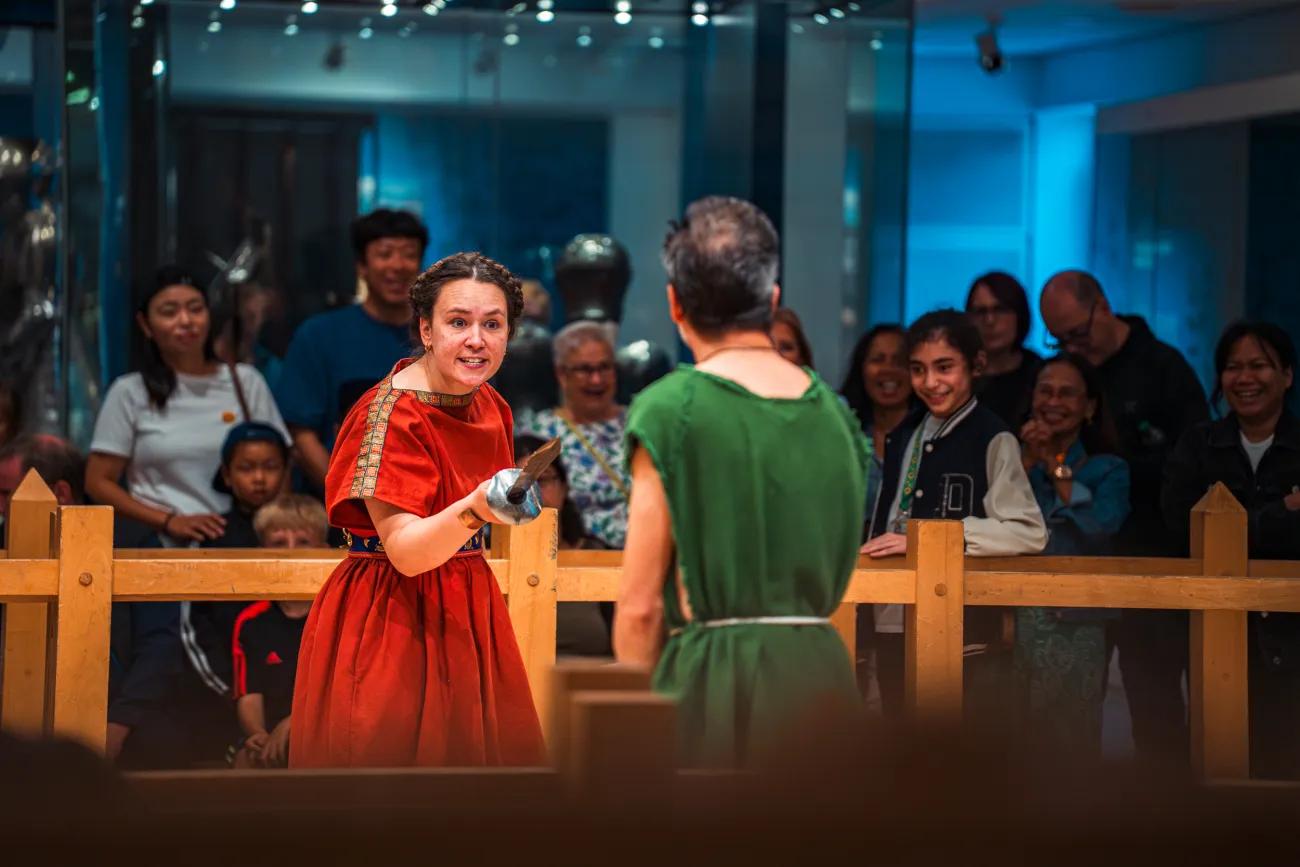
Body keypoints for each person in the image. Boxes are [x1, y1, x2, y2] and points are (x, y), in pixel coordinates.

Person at [614, 196, 870, 768]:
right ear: (772, 299)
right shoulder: (836, 414)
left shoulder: (670, 408)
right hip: (824, 681)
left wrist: (629, 731)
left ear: (675, 304)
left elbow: (639, 609)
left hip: (715, 685)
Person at [290, 251, 544, 768]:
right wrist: (477, 508)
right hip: (391, 613)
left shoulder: (492, 405)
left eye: (492, 324)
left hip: (466, 597)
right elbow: (404, 551)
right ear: (426, 330)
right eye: (458, 322)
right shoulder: (389, 414)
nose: (477, 339)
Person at [1040, 269, 1208, 766]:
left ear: (1104, 306)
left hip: (1151, 557)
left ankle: (1164, 823)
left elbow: (1194, 459)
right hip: (1080, 566)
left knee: (1154, 702)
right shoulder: (1068, 374)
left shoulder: (1164, 367)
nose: (1072, 346)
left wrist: (1112, 475)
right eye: (1059, 339)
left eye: (1078, 333)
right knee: (1062, 709)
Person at [861, 309, 1047, 721]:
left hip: (958, 625)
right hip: (892, 615)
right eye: (918, 369)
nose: (930, 382)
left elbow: (1029, 531)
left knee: (947, 744)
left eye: (944, 367)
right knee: (896, 735)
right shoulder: (905, 433)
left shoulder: (993, 437)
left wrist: (939, 538)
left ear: (975, 365)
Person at [1162, 322, 1300, 779]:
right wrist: (1285, 510)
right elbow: (1183, 531)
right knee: (1217, 761)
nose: (1245, 378)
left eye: (1258, 365)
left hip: (1291, 632)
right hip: (1214, 629)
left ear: (1287, 375)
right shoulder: (1199, 444)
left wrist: (1248, 527)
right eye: (1233, 367)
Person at [0, 434, 184, 768]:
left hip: (124, 720)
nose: (0, 506)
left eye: (4, 494)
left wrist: (120, 722)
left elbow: (159, 644)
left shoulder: (134, 540)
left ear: (60, 493)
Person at [84, 266, 288, 547]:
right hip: (159, 545)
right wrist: (168, 520)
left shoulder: (245, 381)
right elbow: (98, 482)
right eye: (169, 312)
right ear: (145, 324)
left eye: (195, 309)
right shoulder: (130, 391)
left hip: (239, 543)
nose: (186, 321)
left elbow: (282, 463)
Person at [1016, 354, 1130, 757]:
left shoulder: (1108, 469)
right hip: (1010, 618)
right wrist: (1027, 462)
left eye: (1068, 393)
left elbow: (1101, 525)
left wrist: (1054, 467)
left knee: (1069, 748)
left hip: (1076, 622)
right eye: (1045, 391)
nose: (1054, 401)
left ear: (1090, 407)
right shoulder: (1013, 460)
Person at [273, 209, 428, 493]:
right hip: (340, 515)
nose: (397, 265)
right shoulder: (320, 335)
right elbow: (301, 434)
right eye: (384, 254)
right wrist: (348, 500)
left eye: (409, 254)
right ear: (361, 265)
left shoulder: (439, 339)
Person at [230, 495, 327, 769]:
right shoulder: (251, 620)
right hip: (266, 732)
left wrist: (294, 723)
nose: (291, 551)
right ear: (261, 550)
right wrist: (258, 734)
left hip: (322, 727)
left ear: (325, 548)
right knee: (244, 759)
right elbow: (248, 693)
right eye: (278, 543)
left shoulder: (336, 613)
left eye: (304, 542)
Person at [517, 320, 630, 548]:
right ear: (562, 374)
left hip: (642, 556)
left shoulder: (639, 423)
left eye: (604, 367)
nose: (596, 379)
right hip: (571, 558)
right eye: (585, 370)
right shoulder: (540, 433)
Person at [516, 434, 611, 658]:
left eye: (544, 479)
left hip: (592, 684)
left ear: (564, 487)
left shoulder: (598, 555)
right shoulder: (488, 557)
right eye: (522, 483)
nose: (534, 492)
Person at [966, 271, 1042, 428]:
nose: (990, 320)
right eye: (980, 311)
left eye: (1000, 310)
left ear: (1019, 315)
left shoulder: (1040, 374)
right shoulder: (959, 374)